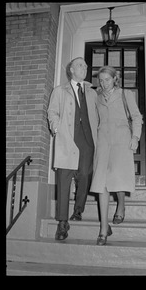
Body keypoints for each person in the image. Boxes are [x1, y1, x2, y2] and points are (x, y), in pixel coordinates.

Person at [90, 66, 143, 245]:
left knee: (118, 179)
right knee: (101, 183)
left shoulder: (125, 94)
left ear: (115, 79)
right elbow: (94, 120)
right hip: (103, 141)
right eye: (101, 80)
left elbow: (136, 117)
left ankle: (121, 204)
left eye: (107, 79)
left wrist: (135, 137)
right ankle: (103, 229)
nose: (104, 83)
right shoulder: (96, 98)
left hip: (122, 140)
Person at [47, 57, 98, 240]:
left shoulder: (92, 93)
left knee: (84, 175)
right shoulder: (60, 90)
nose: (84, 67)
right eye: (79, 65)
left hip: (87, 141)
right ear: (71, 70)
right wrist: (56, 127)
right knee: (64, 178)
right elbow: (52, 111)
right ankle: (62, 222)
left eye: (85, 65)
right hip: (67, 139)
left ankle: (78, 209)